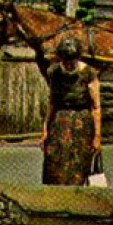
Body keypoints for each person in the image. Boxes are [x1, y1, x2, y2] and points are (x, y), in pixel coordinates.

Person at [40, 37, 101, 185]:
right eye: (65, 61)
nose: (68, 65)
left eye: (71, 61)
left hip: (81, 123)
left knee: (78, 164)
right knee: (54, 161)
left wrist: (97, 136)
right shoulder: (54, 72)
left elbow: (96, 106)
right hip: (59, 122)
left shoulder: (88, 73)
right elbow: (52, 102)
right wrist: (45, 130)